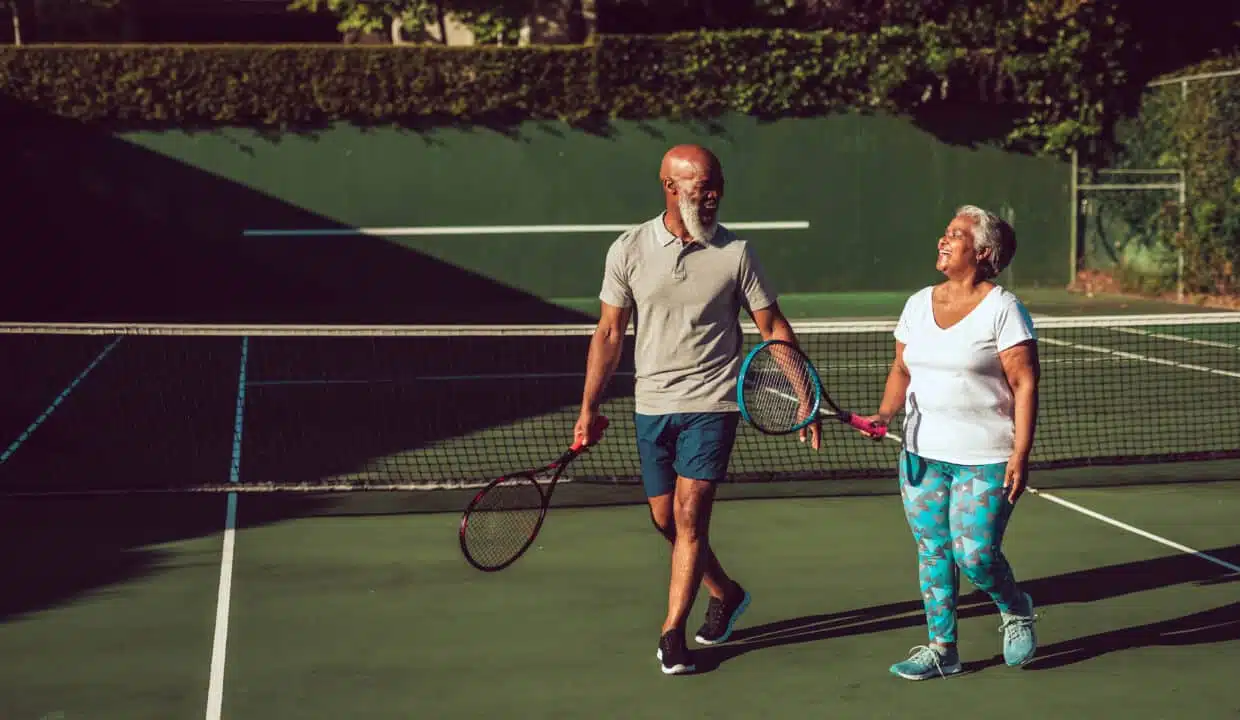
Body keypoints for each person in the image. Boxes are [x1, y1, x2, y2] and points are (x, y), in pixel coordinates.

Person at [574, 144, 820, 676]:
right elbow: (610, 331)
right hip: (651, 404)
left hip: (712, 402)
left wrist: (805, 393)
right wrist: (589, 407)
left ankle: (671, 633)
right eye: (700, 187)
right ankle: (726, 592)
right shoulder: (629, 249)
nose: (711, 196)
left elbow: (772, 327)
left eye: (716, 186)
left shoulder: (737, 254)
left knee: (690, 516)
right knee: (665, 518)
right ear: (670, 187)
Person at [858, 204, 1040, 680]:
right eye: (945, 232)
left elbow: (1024, 383)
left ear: (981, 253)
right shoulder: (918, 303)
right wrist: (884, 413)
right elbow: (901, 368)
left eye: (955, 235)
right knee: (933, 551)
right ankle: (943, 649)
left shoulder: (1004, 309)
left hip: (986, 457)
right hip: (921, 454)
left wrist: (1021, 453)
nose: (943, 240)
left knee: (975, 554)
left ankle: (1015, 607)